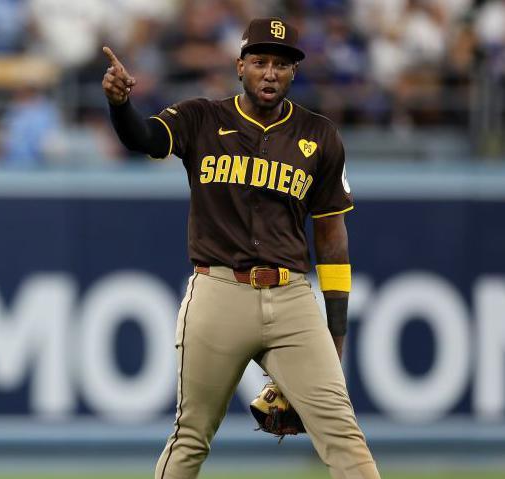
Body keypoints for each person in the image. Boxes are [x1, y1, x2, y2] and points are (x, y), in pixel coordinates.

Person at [102, 17, 380, 479]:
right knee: (191, 436)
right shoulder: (201, 118)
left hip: (292, 299)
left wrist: (336, 332)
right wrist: (120, 106)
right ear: (240, 66)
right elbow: (144, 138)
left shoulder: (320, 135)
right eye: (260, 61)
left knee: (344, 434)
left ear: (294, 73)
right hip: (218, 291)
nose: (270, 73)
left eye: (281, 64)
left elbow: (332, 238)